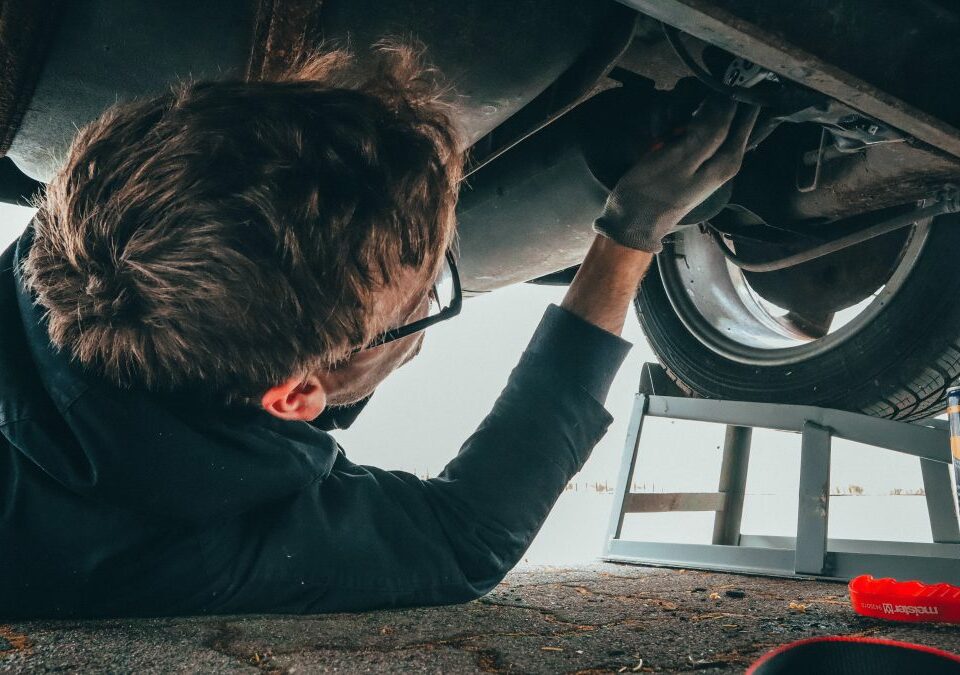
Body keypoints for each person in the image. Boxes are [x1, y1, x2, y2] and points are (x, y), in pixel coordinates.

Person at [0, 45, 757, 618]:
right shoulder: (190, 546)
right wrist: (628, 235)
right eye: (424, 297)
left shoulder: (99, 218)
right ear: (296, 393)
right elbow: (466, 536)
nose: (429, 297)